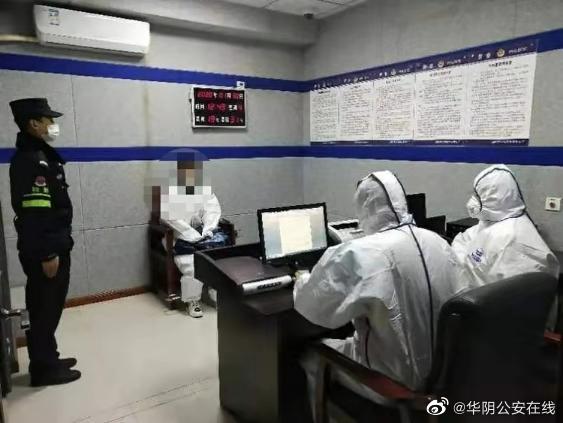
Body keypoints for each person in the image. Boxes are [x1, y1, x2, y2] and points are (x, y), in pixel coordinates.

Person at [294, 171, 472, 416]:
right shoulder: (438, 242)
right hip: (446, 377)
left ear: (364, 208)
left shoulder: (361, 252)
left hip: (394, 384)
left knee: (312, 355)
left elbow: (313, 306)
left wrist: (302, 279)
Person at [8, 98, 80, 387]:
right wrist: (48, 253)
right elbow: (36, 212)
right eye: (48, 120)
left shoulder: (39, 154)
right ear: (34, 123)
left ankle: (49, 357)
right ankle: (43, 369)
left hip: (53, 243)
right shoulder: (31, 160)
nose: (53, 125)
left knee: (48, 307)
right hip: (46, 248)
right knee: (44, 309)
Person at [452, 164, 560, 327]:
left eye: (478, 195)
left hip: (497, 325)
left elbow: (510, 303)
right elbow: (465, 239)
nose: (472, 200)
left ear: (495, 198)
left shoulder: (515, 241)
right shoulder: (493, 222)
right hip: (477, 308)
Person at [158, 154, 225, 318]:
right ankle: (192, 300)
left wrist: (207, 230)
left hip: (204, 236)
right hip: (180, 238)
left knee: (219, 260)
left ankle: (217, 294)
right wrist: (192, 235)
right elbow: (170, 218)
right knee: (192, 265)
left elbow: (212, 211)